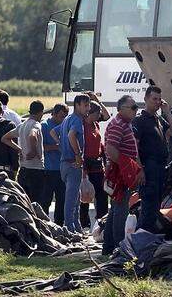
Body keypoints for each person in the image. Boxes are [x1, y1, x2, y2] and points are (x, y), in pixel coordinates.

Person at [132, 86, 172, 233]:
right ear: (146, 99)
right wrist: (139, 170)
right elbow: (134, 148)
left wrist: (167, 112)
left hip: (160, 167)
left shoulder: (158, 119)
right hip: (148, 166)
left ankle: (148, 240)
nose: (157, 102)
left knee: (155, 208)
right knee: (148, 207)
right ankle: (140, 241)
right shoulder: (140, 120)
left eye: (159, 99)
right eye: (154, 99)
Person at [103, 95, 142, 255]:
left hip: (122, 171)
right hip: (121, 174)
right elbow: (111, 150)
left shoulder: (125, 124)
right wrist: (127, 168)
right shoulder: (118, 124)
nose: (136, 110)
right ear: (122, 109)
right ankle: (119, 248)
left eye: (136, 107)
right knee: (121, 210)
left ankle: (108, 247)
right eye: (133, 108)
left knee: (115, 210)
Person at [51, 94, 90, 233]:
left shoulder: (67, 119)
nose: (88, 108)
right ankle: (70, 229)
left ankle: (77, 227)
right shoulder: (76, 120)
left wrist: (61, 145)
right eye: (85, 105)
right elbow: (71, 135)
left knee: (76, 197)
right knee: (71, 199)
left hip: (64, 164)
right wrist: (78, 155)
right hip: (73, 164)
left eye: (89, 105)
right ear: (77, 105)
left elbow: (53, 132)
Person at [1, 100, 45, 204]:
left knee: (25, 203)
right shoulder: (36, 124)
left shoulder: (22, 125)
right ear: (41, 113)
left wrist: (19, 149)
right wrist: (33, 151)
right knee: (36, 203)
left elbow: (5, 138)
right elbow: (32, 135)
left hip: (23, 170)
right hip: (35, 170)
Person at [79, 100, 110, 229]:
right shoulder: (81, 125)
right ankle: (84, 224)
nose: (99, 116)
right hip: (86, 165)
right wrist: (83, 168)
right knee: (85, 196)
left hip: (98, 165)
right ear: (91, 113)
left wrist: (105, 159)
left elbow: (106, 115)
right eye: (97, 113)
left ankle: (101, 223)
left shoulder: (95, 124)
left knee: (102, 195)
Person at [40, 103, 68, 224]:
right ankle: (44, 224)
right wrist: (57, 147)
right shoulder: (44, 126)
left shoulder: (64, 126)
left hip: (62, 170)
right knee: (45, 200)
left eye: (65, 116)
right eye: (61, 116)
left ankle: (59, 225)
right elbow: (41, 147)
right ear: (54, 114)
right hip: (48, 169)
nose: (63, 119)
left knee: (62, 200)